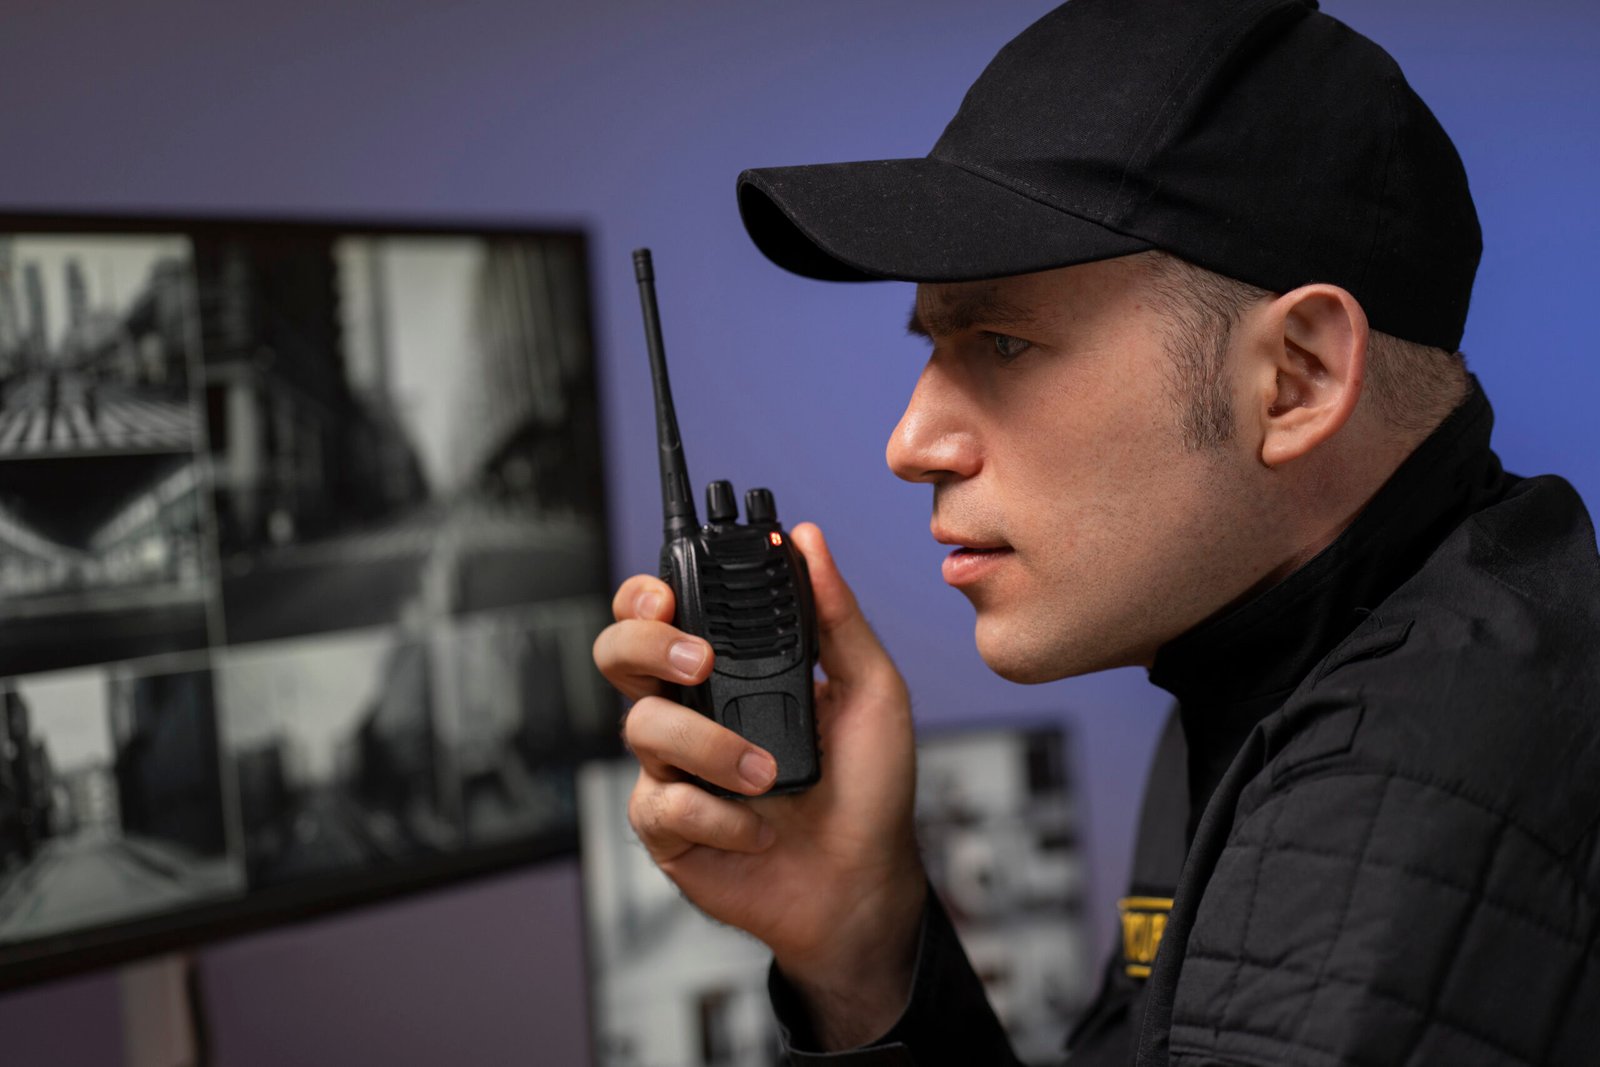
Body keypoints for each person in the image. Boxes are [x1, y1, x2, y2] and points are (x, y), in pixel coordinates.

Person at [593, 0, 1600, 1064]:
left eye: (1005, 342)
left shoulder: (1387, 789)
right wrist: (859, 939)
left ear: (1296, 375)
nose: (910, 439)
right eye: (933, 347)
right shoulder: (1274, 663)